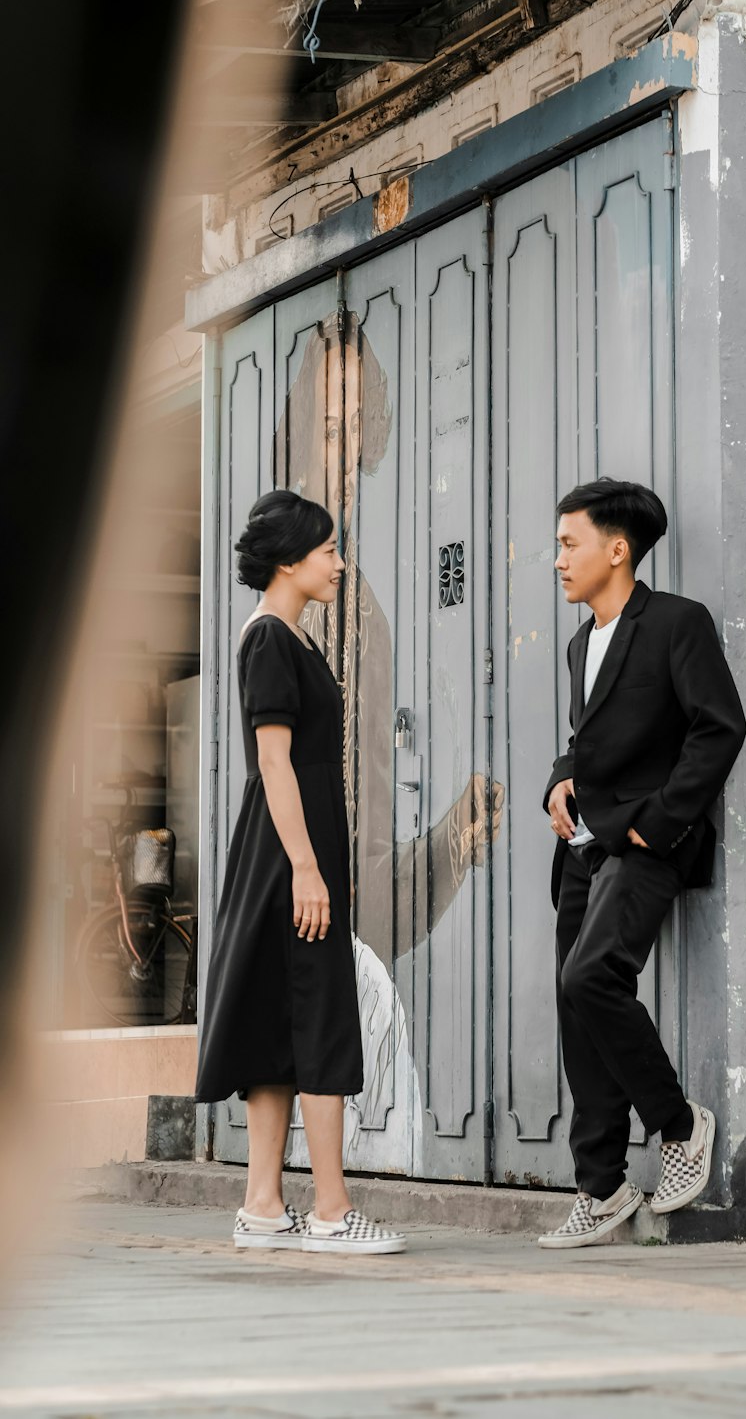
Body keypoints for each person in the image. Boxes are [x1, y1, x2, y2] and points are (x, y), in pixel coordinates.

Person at [195, 489, 405, 1254]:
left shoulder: (286, 636)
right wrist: (309, 869)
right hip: (290, 852)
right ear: (290, 560)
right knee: (317, 1016)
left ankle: (260, 1207)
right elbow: (274, 762)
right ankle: (330, 1211)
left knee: (284, 1017)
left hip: (285, 850)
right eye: (328, 551)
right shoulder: (272, 642)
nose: (340, 564)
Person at [537, 479, 746, 1250]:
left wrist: (659, 824)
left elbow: (718, 727)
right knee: (575, 1004)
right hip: (582, 847)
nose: (557, 559)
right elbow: (587, 737)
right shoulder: (577, 642)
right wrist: (559, 777)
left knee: (591, 977)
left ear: (616, 550)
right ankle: (602, 1188)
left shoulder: (675, 624)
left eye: (570, 544)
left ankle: (680, 1124)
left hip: (644, 844)